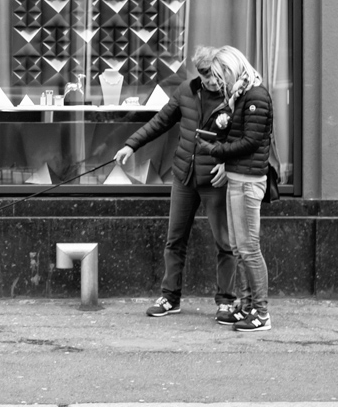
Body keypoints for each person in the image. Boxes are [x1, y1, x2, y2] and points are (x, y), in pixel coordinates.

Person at [114, 45, 237, 319]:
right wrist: (131, 145)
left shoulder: (233, 96)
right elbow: (160, 122)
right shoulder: (185, 91)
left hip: (215, 179)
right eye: (206, 76)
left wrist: (229, 165)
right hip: (184, 176)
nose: (212, 81)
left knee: (225, 243)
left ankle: (226, 301)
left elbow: (244, 139)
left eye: (215, 75)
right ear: (198, 73)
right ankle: (170, 297)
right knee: (175, 240)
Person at [196, 46, 274, 332]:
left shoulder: (255, 96)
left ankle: (261, 313)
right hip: (238, 177)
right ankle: (247, 306)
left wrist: (215, 150)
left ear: (231, 69)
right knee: (240, 250)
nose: (220, 82)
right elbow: (239, 134)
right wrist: (221, 125)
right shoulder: (241, 95)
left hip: (248, 181)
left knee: (249, 249)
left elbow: (251, 142)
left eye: (221, 76)